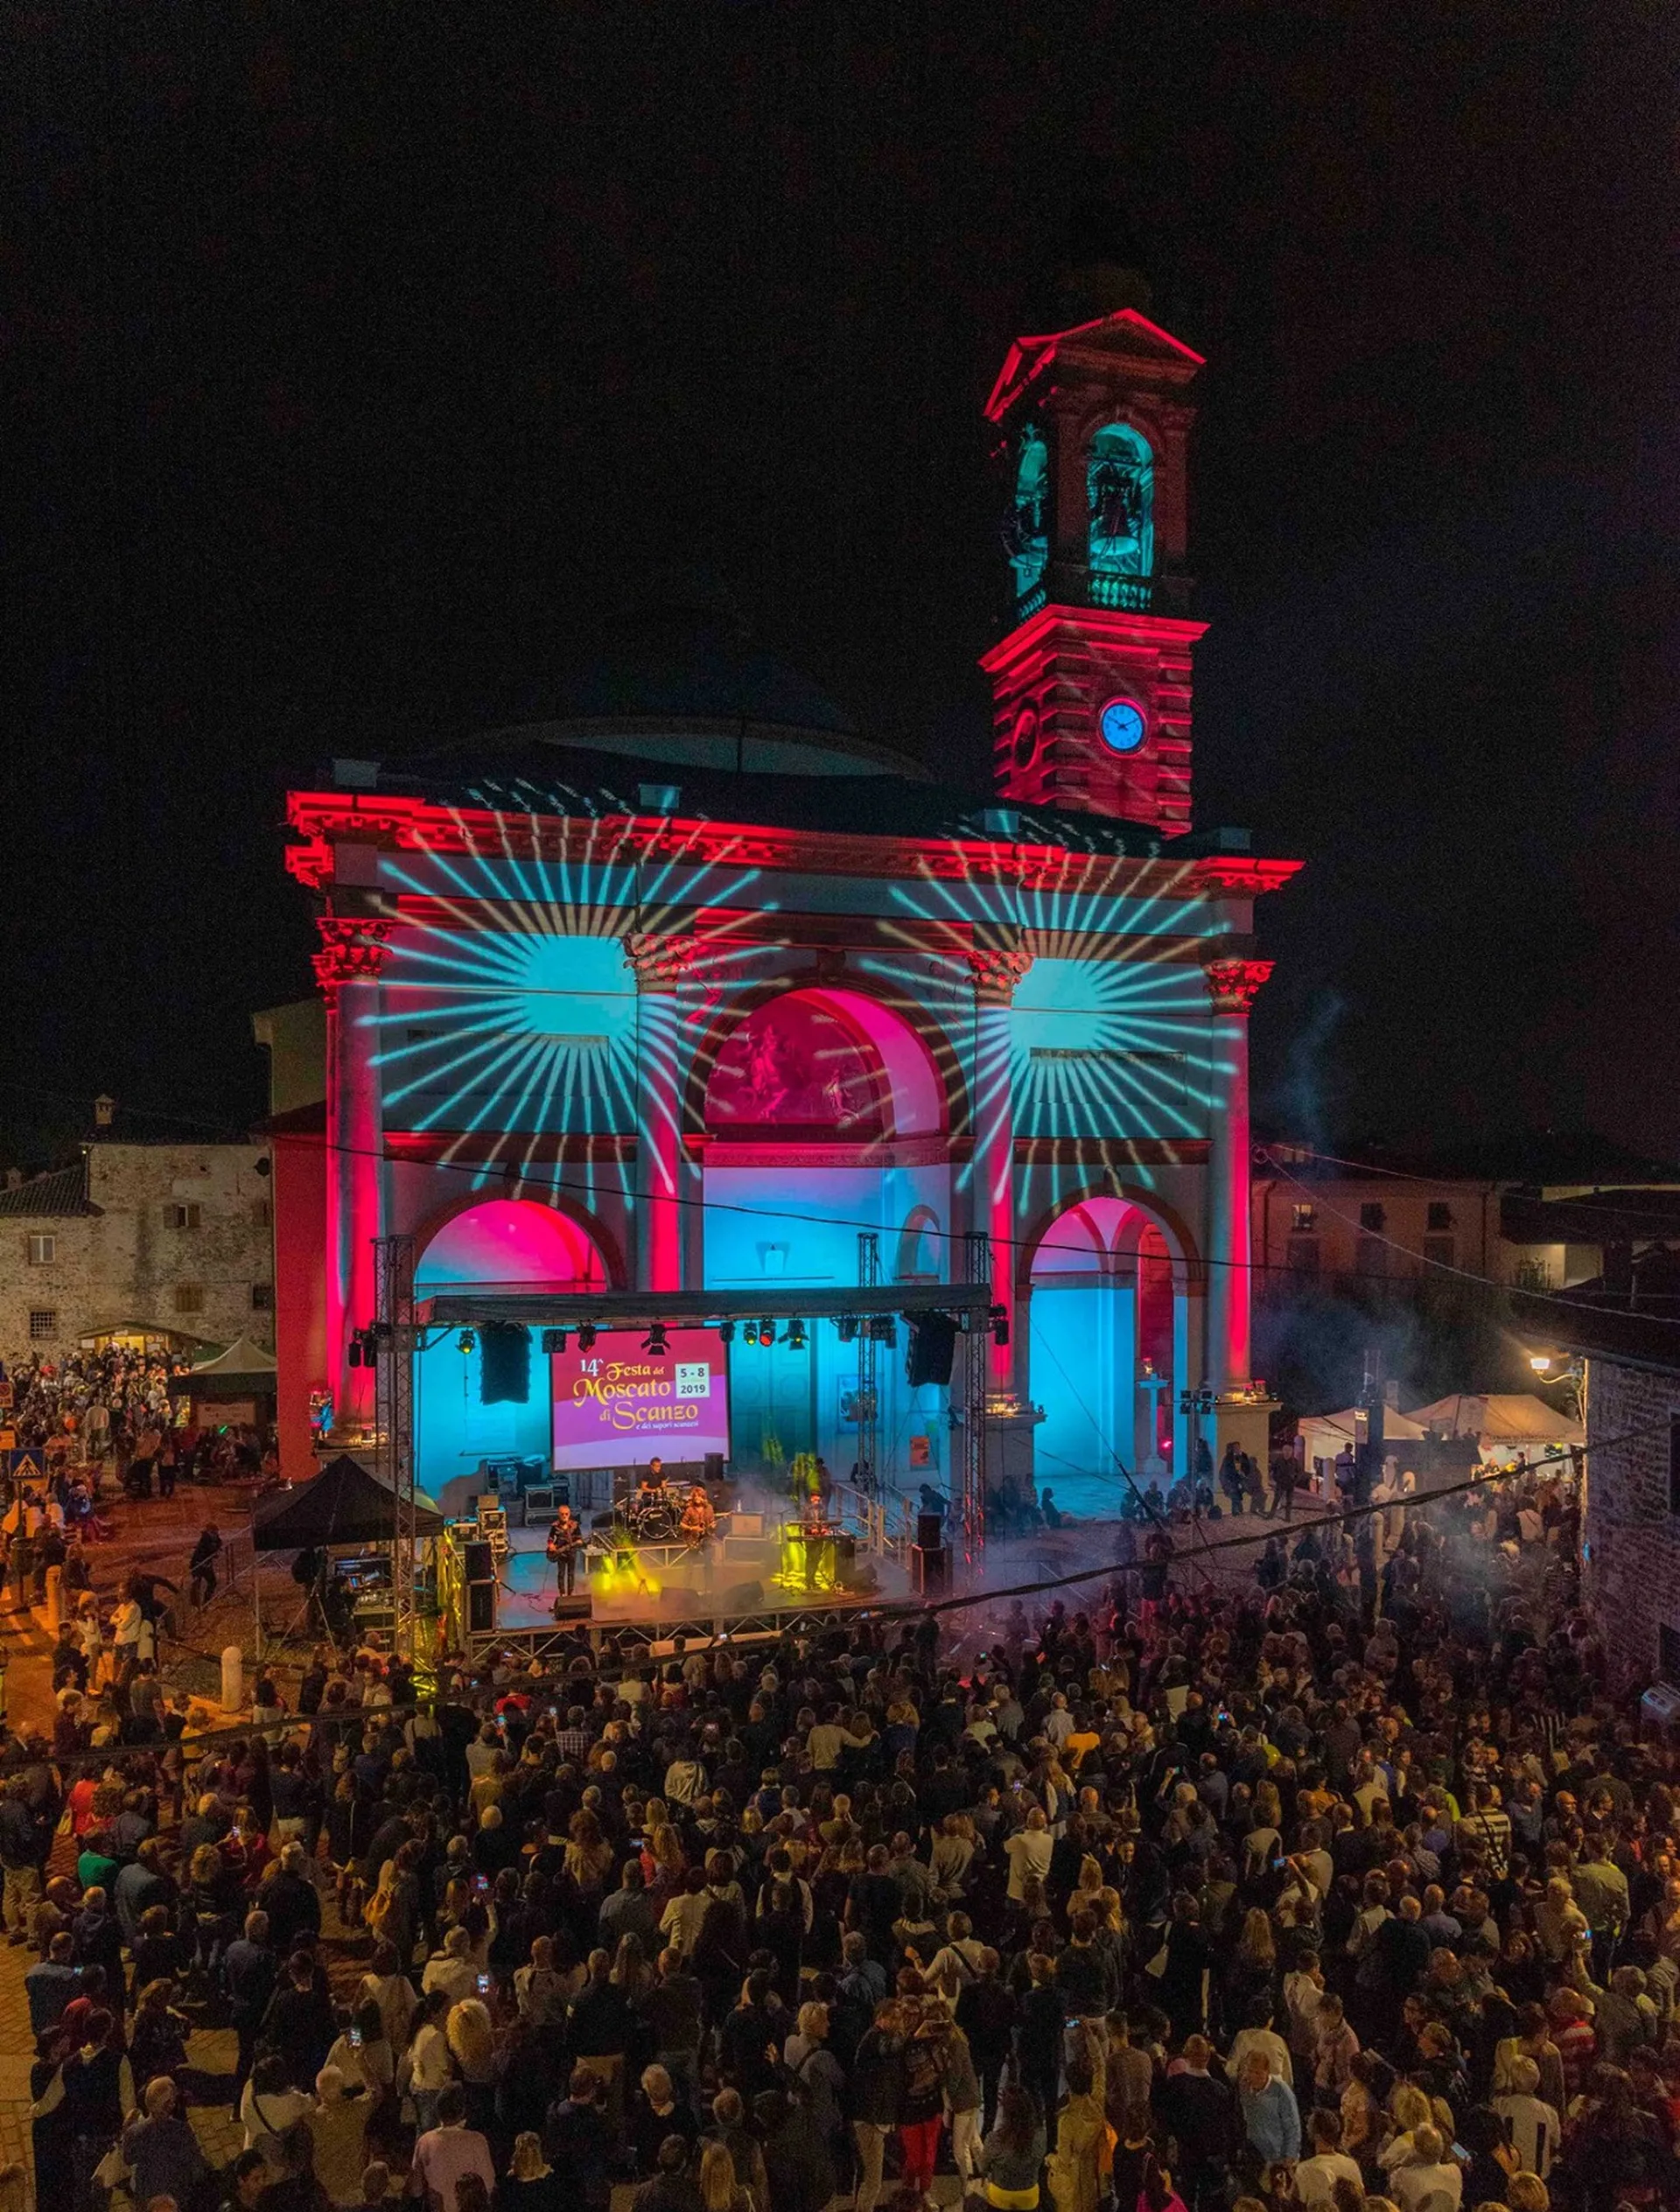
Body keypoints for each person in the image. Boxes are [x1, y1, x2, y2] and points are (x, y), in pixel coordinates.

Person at [410, 2085, 494, 2212]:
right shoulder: (477, 2141)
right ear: (463, 2111)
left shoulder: (425, 2141)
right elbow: (489, 2184)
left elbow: (416, 2190)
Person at [188, 1524, 222, 1607]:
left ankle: (205, 1602)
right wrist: (215, 1551)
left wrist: (217, 1544)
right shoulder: (205, 1539)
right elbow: (210, 1550)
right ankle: (196, 1606)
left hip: (206, 1565)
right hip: (198, 1565)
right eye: (214, 1533)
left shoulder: (213, 1538)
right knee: (197, 1585)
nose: (216, 1535)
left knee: (212, 1582)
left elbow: (219, 1542)